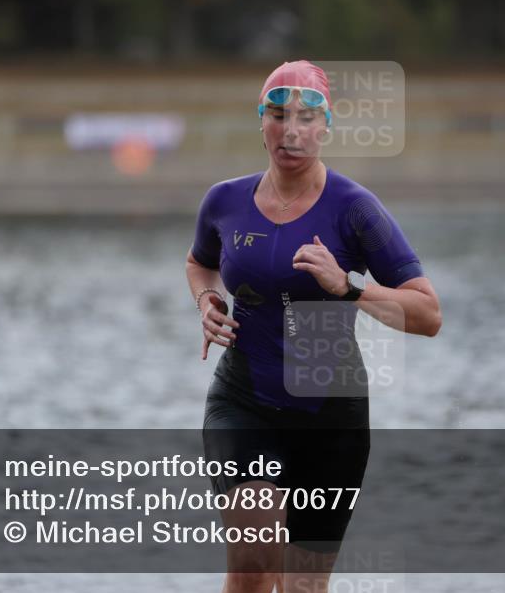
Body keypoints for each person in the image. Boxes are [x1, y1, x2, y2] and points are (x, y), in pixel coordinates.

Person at [185, 60, 441, 593]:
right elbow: (199, 262)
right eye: (277, 115)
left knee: (303, 586)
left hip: (332, 414)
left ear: (327, 127)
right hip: (244, 401)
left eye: (306, 117)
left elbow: (427, 315)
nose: (291, 130)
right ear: (261, 122)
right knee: (254, 565)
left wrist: (349, 286)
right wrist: (207, 298)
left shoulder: (356, 210)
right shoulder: (224, 201)